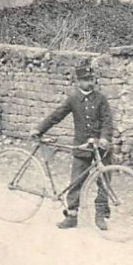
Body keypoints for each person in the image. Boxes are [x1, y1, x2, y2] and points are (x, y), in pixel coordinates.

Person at [31, 60, 113, 230]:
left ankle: (100, 214)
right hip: (82, 147)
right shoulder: (73, 99)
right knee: (76, 181)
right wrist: (40, 129)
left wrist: (104, 138)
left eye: (91, 79)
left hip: (101, 148)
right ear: (78, 81)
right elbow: (57, 116)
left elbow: (107, 120)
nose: (89, 82)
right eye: (85, 79)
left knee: (104, 180)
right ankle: (72, 216)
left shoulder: (101, 99)